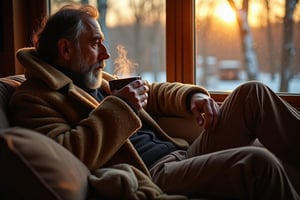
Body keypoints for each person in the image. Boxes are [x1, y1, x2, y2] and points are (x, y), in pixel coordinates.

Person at [9, 4, 300, 200]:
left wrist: (193, 97)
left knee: (253, 94)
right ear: (65, 48)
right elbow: (68, 156)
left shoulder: (94, 79)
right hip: (155, 174)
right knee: (257, 163)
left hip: (184, 155)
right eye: (95, 43)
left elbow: (155, 92)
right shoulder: (33, 99)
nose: (106, 54)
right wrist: (120, 108)